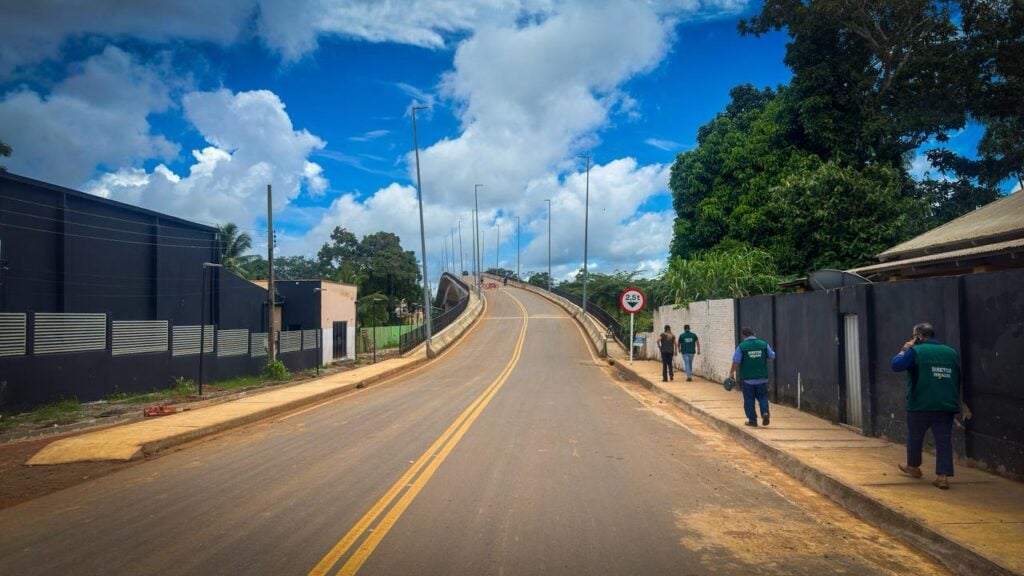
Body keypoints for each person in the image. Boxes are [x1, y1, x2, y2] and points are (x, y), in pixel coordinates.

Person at [891, 322, 961, 490]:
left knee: (915, 437)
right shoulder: (951, 353)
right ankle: (943, 476)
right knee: (943, 440)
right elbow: (958, 378)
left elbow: (896, 365)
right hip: (945, 405)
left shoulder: (915, 351)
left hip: (920, 404)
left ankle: (914, 467)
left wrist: (905, 349)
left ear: (918, 337)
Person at [729, 327, 776, 427]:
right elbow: (772, 356)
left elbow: (736, 361)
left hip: (748, 379)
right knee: (763, 397)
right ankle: (765, 413)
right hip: (762, 377)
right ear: (754, 334)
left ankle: (752, 421)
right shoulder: (763, 344)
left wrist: (731, 373)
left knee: (749, 400)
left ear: (743, 336)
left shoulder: (742, 346)